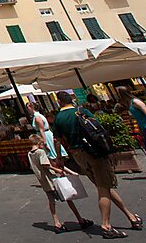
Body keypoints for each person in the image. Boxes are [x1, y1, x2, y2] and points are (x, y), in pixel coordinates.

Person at [52, 90, 141, 239]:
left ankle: (131, 216)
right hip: (94, 152)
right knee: (103, 187)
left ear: (59, 102)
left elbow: (57, 140)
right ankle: (106, 226)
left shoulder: (58, 118)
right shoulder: (81, 111)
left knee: (103, 186)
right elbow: (97, 128)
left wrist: (59, 158)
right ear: (71, 100)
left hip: (78, 155)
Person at [27, 134, 93, 233]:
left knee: (51, 201)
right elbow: (45, 164)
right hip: (52, 179)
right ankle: (80, 219)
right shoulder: (40, 152)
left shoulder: (29, 154)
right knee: (68, 199)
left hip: (44, 181)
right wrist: (57, 170)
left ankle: (57, 222)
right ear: (39, 143)